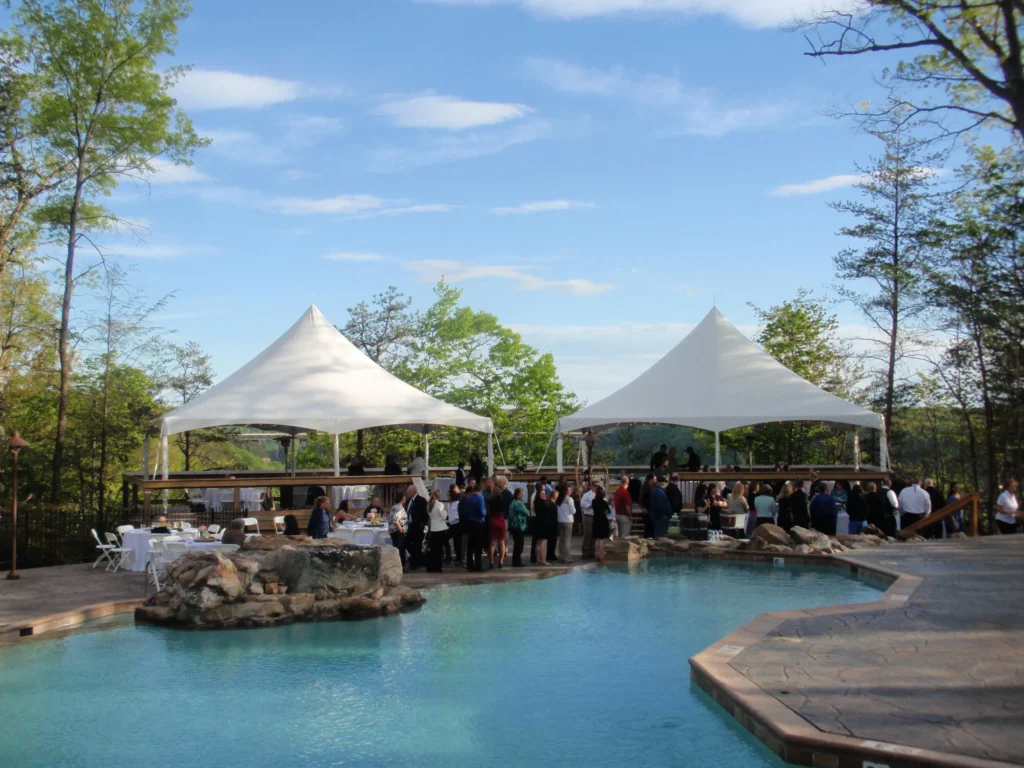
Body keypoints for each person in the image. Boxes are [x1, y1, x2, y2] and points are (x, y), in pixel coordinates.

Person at [461, 484, 487, 570]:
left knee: (470, 545)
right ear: (480, 490)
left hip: (470, 523)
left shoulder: (468, 499)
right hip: (479, 523)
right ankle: (478, 565)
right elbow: (483, 512)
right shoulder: (480, 498)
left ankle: (470, 565)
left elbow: (465, 512)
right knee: (478, 546)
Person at [403, 484, 429, 570]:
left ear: (413, 492)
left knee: (417, 545)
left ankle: (414, 564)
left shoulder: (421, 500)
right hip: (409, 525)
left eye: (408, 491)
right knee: (406, 542)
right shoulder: (408, 501)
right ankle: (418, 558)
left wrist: (422, 524)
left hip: (418, 526)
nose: (407, 493)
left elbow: (425, 514)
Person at [426, 489, 448, 573]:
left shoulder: (429, 505)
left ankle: (431, 566)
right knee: (439, 550)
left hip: (433, 528)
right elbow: (444, 517)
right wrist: (445, 511)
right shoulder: (440, 504)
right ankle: (438, 566)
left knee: (433, 549)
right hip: (441, 528)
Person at [508, 487, 530, 567]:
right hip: (519, 525)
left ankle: (515, 560)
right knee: (520, 544)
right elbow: (527, 512)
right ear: (517, 494)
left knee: (516, 544)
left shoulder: (512, 502)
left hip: (513, 526)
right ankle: (518, 561)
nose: (522, 495)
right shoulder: (519, 503)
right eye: (521, 494)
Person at [532, 485, 553, 566]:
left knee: (538, 542)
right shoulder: (544, 503)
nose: (544, 495)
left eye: (544, 494)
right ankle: (543, 560)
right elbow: (549, 510)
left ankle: (538, 559)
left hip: (538, 522)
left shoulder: (536, 502)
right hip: (544, 523)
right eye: (542, 494)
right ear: (539, 495)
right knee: (543, 543)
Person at [487, 487, 508, 569]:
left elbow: (489, 512)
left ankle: (491, 561)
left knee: (492, 543)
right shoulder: (503, 501)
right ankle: (501, 561)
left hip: (493, 520)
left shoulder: (491, 501)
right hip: (501, 520)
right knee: (501, 542)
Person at [592, 486, 612, 562]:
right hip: (603, 520)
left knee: (597, 538)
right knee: (601, 539)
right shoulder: (604, 502)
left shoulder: (593, 501)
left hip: (596, 520)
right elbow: (608, 511)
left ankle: (596, 553)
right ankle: (601, 554)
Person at [556, 485, 576, 563]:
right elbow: (573, 511)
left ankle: (561, 555)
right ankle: (567, 557)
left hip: (560, 520)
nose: (570, 491)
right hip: (568, 520)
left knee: (561, 539)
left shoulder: (559, 499)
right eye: (569, 490)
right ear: (566, 491)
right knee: (567, 539)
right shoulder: (569, 499)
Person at [387, 500, 408, 570]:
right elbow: (395, 518)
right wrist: (400, 528)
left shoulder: (394, 507)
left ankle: (397, 565)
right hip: (397, 530)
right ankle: (401, 566)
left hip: (393, 530)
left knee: (396, 548)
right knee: (400, 548)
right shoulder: (399, 507)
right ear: (402, 499)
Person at [580, 480, 598, 558]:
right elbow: (582, 503)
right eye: (596, 486)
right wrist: (589, 505)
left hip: (596, 516)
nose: (597, 487)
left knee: (594, 535)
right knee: (588, 534)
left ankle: (592, 551)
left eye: (598, 486)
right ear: (592, 486)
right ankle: (585, 551)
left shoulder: (599, 495)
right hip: (588, 516)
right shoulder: (587, 495)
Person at [614, 475, 633, 540]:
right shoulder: (625, 493)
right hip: (624, 516)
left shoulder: (617, 491)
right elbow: (627, 506)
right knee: (625, 536)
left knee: (619, 535)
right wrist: (630, 516)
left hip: (617, 514)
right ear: (627, 483)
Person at [446, 485, 461, 564]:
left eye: (449, 495)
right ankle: (449, 555)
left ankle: (459, 556)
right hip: (451, 524)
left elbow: (458, 514)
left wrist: (456, 518)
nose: (447, 497)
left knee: (457, 541)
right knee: (448, 539)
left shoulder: (457, 503)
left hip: (457, 524)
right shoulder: (449, 504)